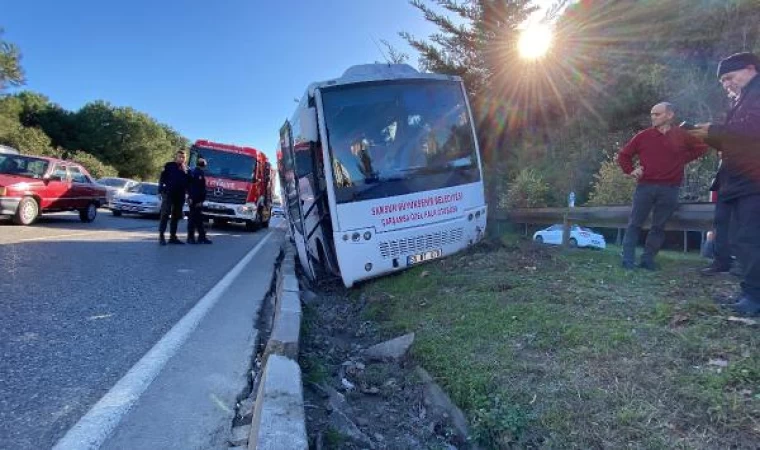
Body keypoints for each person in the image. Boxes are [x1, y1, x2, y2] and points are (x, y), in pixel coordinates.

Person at [689, 52, 760, 316]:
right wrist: (711, 135)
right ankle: (749, 292)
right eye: (722, 81)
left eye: (729, 77)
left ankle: (754, 297)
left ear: (750, 69)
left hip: (753, 180)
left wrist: (715, 132)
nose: (726, 84)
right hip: (739, 179)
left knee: (751, 238)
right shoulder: (744, 98)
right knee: (741, 238)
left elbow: (752, 132)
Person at [618, 102, 709, 270]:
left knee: (658, 227)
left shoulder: (681, 135)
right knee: (635, 223)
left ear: (669, 115)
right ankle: (627, 260)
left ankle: (648, 260)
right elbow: (624, 155)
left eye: (657, 114)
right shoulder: (643, 136)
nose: (653, 117)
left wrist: (681, 159)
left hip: (670, 188)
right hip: (645, 186)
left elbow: (702, 148)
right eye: (652, 114)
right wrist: (631, 170)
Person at [158, 150, 189, 245]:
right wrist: (160, 190)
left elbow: (189, 183)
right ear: (176, 157)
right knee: (165, 214)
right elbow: (162, 178)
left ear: (185, 158)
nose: (181, 158)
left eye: (183, 157)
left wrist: (188, 194)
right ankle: (161, 236)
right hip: (168, 193)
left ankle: (173, 237)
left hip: (180, 195)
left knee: (176, 216)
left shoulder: (187, 169)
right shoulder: (169, 165)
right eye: (179, 156)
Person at [187, 157, 212, 244]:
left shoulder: (195, 172)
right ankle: (191, 238)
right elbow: (196, 188)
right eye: (204, 163)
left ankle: (201, 237)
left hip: (195, 199)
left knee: (198, 219)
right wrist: (198, 200)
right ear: (203, 165)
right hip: (195, 200)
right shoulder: (197, 173)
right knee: (193, 220)